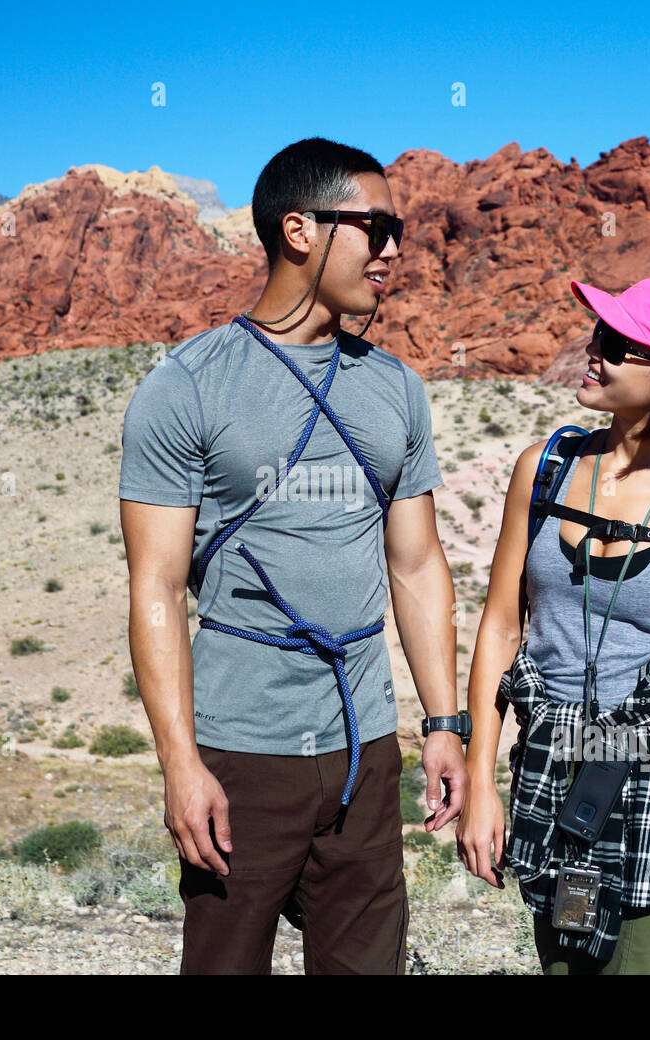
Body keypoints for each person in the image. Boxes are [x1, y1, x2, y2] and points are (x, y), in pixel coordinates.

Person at [118, 137, 468, 975]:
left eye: (399, 231)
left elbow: (417, 566)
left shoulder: (396, 388)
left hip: (364, 748)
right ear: (300, 229)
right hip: (242, 755)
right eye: (374, 227)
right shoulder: (189, 386)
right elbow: (157, 586)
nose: (391, 251)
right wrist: (181, 765)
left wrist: (445, 723)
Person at [456, 276, 650, 974]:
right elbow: (502, 627)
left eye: (620, 345)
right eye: (599, 335)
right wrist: (481, 784)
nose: (593, 351)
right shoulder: (545, 470)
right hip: (551, 776)